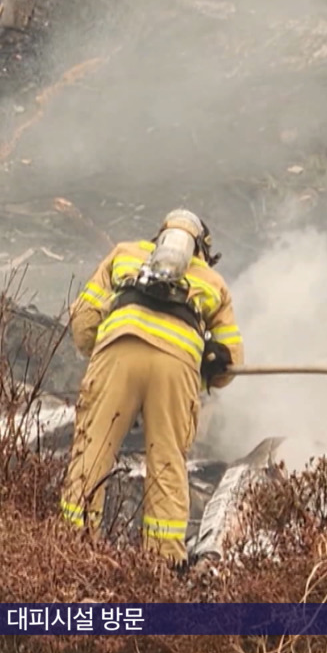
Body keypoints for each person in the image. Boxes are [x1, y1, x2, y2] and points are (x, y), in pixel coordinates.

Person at [60, 209, 244, 568]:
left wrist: (103, 350)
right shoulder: (214, 281)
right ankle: (162, 566)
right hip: (175, 370)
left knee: (92, 454)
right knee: (167, 463)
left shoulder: (125, 253)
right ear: (201, 250)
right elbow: (228, 363)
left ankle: (71, 551)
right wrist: (206, 369)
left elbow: (83, 321)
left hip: (118, 354)